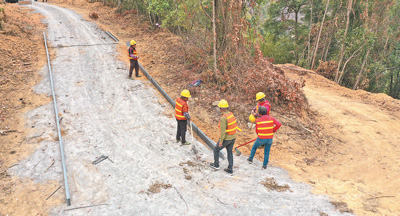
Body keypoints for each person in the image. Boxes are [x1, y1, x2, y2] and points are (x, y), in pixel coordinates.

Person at [210, 99, 241, 175]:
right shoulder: (231, 114)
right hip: (233, 137)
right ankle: (230, 169)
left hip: (226, 138)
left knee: (216, 149)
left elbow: (223, 131)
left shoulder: (223, 118)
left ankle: (216, 165)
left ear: (221, 108)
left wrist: (221, 141)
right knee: (229, 152)